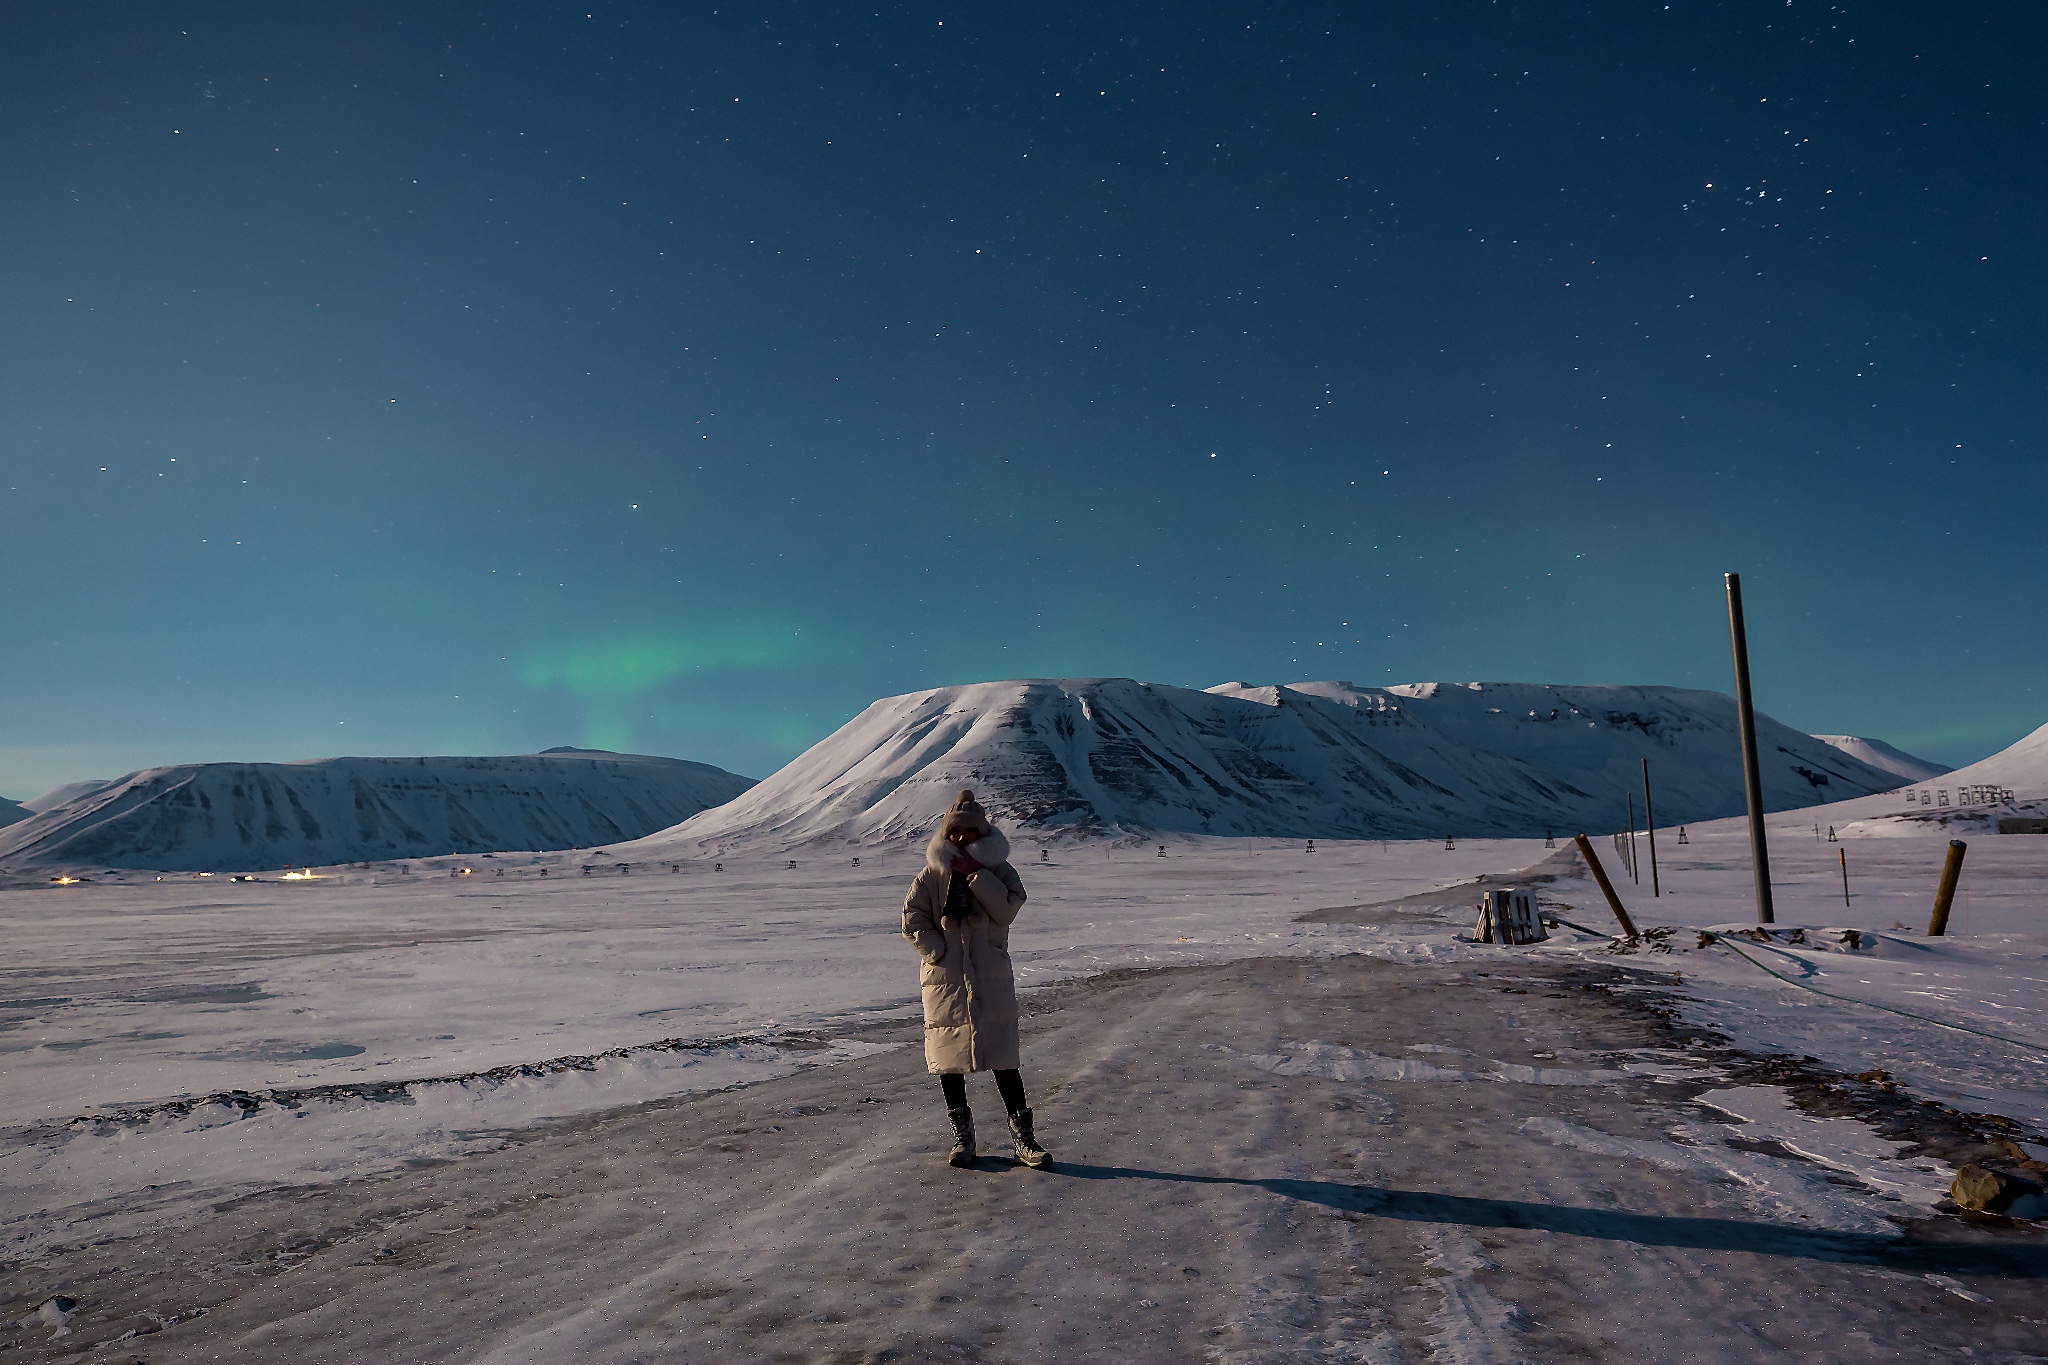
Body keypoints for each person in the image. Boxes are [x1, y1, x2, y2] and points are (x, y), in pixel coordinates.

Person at [901, 789, 1051, 1169]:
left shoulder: (999, 871)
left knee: (1004, 1057)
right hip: (945, 978)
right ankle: (963, 1138)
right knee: (949, 1059)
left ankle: (1024, 1140)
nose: (962, 838)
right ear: (947, 833)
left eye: (970, 831)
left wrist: (976, 876)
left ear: (982, 833)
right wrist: (937, 951)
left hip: (989, 973)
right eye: (956, 832)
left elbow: (1007, 909)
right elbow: (912, 920)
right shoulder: (931, 875)